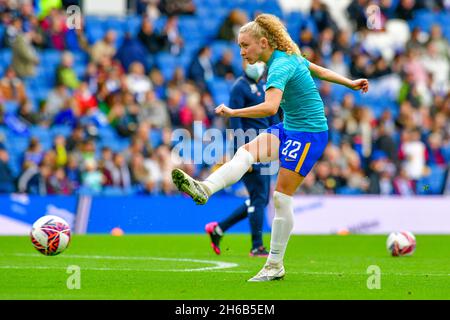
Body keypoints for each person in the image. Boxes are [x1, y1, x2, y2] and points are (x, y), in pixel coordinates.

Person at [171, 14, 369, 282]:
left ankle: (275, 264)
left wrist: (233, 111)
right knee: (246, 153)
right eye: (239, 46)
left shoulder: (278, 66)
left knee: (281, 198)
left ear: (263, 43)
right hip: (289, 128)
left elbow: (270, 108)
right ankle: (205, 189)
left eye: (245, 45)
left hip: (309, 133)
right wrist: (351, 82)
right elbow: (319, 70)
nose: (241, 52)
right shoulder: (289, 58)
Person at [205, 60, 280, 257]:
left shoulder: (265, 86)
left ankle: (219, 229)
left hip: (265, 146)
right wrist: (241, 154)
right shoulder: (239, 87)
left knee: (259, 199)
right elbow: (235, 120)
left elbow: (272, 118)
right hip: (248, 148)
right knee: (260, 197)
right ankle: (257, 246)